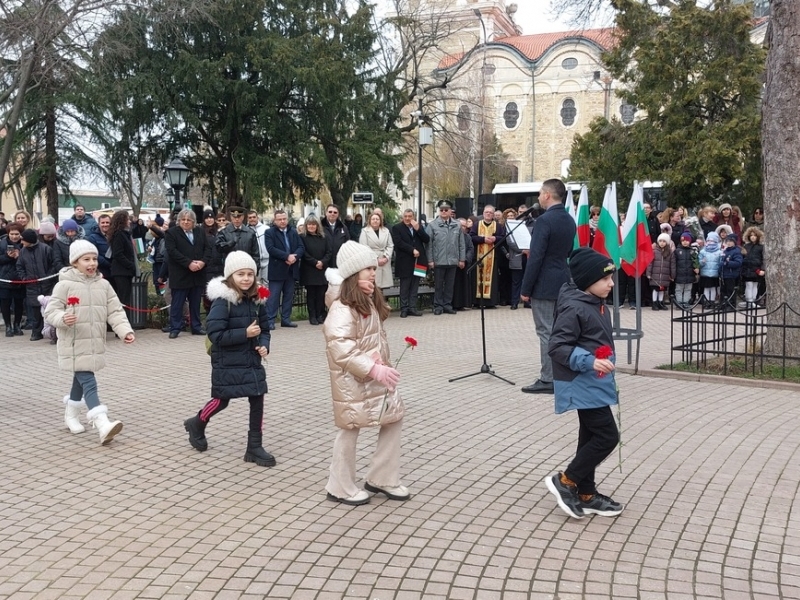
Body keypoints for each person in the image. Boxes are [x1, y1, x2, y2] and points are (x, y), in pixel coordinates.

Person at [322, 241, 409, 506]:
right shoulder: (341, 305)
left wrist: (380, 366)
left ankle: (382, 477)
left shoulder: (367, 298)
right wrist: (372, 367)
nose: (373, 272)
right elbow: (341, 348)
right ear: (352, 273)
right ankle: (339, 485)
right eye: (366, 268)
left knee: (393, 418)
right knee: (350, 428)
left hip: (377, 374)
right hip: (354, 379)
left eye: (373, 267)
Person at [544, 247, 623, 520]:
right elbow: (557, 347)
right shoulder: (574, 306)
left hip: (594, 382)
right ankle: (566, 481)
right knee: (607, 436)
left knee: (589, 437)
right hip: (581, 381)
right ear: (588, 280)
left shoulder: (594, 302)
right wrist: (590, 361)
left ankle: (586, 494)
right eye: (606, 279)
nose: (611, 283)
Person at [182, 251, 275, 466]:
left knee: (258, 397)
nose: (246, 279)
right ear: (230, 276)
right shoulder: (223, 302)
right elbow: (215, 335)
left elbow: (265, 329)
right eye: (240, 274)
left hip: (251, 360)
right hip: (227, 360)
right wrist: (245, 334)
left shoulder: (259, 299)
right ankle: (197, 423)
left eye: (250, 274)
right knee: (221, 399)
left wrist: (263, 344)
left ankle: (254, 446)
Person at [43, 240, 134, 445]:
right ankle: (102, 423)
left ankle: (71, 415)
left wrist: (124, 331)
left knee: (80, 378)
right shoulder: (64, 285)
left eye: (94, 259)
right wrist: (62, 319)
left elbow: (115, 310)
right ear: (75, 262)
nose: (92, 263)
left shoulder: (104, 284)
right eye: (86, 259)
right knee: (88, 380)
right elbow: (51, 311)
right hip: (74, 343)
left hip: (94, 342)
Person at [520, 179, 576, 394]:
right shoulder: (569, 220)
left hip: (544, 283)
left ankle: (548, 379)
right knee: (560, 330)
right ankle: (562, 374)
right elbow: (569, 251)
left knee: (546, 331)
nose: (539, 197)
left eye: (541, 193)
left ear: (547, 195)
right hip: (563, 279)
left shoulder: (544, 221)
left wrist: (525, 289)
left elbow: (536, 258)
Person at [164, 209, 211, 338]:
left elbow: (207, 248)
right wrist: (188, 263)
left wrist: (202, 262)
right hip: (180, 274)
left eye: (188, 220)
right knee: (177, 303)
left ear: (193, 222)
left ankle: (196, 326)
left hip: (197, 274)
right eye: (183, 220)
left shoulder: (200, 231)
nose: (186, 222)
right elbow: (172, 252)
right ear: (179, 221)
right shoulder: (171, 233)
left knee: (195, 303)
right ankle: (175, 327)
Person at [263, 209, 304, 329]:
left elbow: (301, 247)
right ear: (275, 220)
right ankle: (270, 320)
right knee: (274, 297)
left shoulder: (293, 232)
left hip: (291, 269)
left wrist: (294, 257)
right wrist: (286, 256)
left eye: (284, 219)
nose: (282, 221)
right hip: (277, 269)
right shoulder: (269, 232)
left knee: (288, 296)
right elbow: (271, 249)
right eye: (279, 219)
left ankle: (286, 319)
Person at [425, 200, 465, 315]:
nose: (443, 212)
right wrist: (430, 260)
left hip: (453, 260)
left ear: (450, 211)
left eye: (446, 210)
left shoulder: (457, 224)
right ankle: (438, 306)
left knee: (449, 285)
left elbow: (461, 243)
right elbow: (429, 245)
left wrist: (461, 259)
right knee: (438, 285)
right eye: (441, 210)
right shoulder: (432, 225)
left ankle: (447, 305)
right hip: (439, 260)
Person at [17, 228, 57, 340]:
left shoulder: (46, 249)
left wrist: (47, 277)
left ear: (29, 240)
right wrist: (24, 278)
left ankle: (52, 332)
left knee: (49, 309)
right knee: (35, 311)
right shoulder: (23, 252)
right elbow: (19, 267)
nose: (21, 242)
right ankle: (36, 332)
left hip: (47, 285)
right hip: (31, 286)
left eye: (23, 240)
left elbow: (53, 265)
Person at [390, 209, 429, 318]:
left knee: (415, 285)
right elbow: (399, 243)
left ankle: (413, 308)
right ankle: (404, 308)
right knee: (405, 286)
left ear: (413, 217)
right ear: (403, 217)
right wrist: (412, 250)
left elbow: (427, 239)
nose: (407, 218)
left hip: (419, 261)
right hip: (405, 261)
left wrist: (418, 229)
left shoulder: (418, 227)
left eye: (410, 216)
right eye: (406, 216)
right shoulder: (397, 228)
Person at [470, 205, 506, 308]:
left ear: (493, 214)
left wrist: (495, 238)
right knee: (478, 278)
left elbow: (503, 238)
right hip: (479, 257)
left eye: (491, 212)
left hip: (492, 257)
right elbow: (472, 237)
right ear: (483, 213)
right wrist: (483, 239)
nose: (488, 214)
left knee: (492, 279)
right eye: (487, 212)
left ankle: (490, 302)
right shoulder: (477, 224)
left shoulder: (497, 226)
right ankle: (478, 302)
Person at [299, 215, 332, 325]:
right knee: (311, 294)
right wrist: (314, 262)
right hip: (309, 269)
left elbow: (329, 252)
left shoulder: (324, 237)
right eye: (309, 224)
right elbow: (303, 253)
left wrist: (322, 262)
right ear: (306, 226)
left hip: (322, 269)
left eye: (314, 224)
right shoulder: (302, 237)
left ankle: (320, 315)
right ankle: (312, 316)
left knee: (321, 294)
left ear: (318, 226)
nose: (312, 226)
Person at [108, 211, 139, 320]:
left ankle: (125, 322)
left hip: (126, 272)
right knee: (123, 299)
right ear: (122, 220)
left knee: (126, 298)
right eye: (127, 219)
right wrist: (130, 265)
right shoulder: (119, 234)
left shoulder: (125, 234)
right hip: (121, 271)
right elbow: (118, 254)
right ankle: (122, 323)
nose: (129, 221)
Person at [359, 211, 394, 290]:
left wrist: (386, 257)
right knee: (373, 286)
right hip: (372, 261)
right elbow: (364, 247)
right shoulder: (365, 231)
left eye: (377, 219)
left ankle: (382, 302)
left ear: (380, 221)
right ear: (370, 220)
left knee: (383, 288)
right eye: (373, 219)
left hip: (384, 260)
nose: (375, 221)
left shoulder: (386, 231)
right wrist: (376, 259)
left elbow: (390, 245)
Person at [0, 223, 25, 336]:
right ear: (8, 233)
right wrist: (8, 256)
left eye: (17, 234)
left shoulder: (24, 244)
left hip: (19, 278)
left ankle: (17, 325)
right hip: (5, 277)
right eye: (12, 234)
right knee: (5, 303)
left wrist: (19, 256)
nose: (14, 236)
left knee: (19, 303)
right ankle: (8, 326)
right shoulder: (2, 243)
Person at [646, 233, 675, 311]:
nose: (662, 243)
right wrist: (648, 273)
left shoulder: (670, 252)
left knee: (662, 290)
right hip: (655, 275)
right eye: (660, 241)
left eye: (664, 241)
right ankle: (654, 302)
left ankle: (660, 302)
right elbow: (650, 263)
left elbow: (672, 265)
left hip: (665, 275)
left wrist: (672, 275)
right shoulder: (654, 251)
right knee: (655, 289)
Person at [452, 218, 475, 311]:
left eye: (465, 226)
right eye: (461, 225)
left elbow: (470, 249)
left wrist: (465, 259)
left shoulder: (467, 237)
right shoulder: (452, 236)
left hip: (464, 264)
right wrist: (457, 260)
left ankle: (463, 303)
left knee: (464, 285)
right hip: (454, 264)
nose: (463, 228)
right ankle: (454, 304)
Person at [673, 232, 699, 309]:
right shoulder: (677, 251)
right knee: (679, 289)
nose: (685, 242)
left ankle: (686, 302)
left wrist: (697, 268)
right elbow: (674, 263)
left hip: (689, 274)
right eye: (683, 240)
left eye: (687, 240)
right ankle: (679, 302)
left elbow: (696, 261)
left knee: (688, 289)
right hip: (679, 274)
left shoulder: (693, 251)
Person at [741, 227, 765, 308]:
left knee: (755, 285)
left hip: (757, 269)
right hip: (747, 269)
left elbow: (763, 259)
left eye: (755, 235)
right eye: (751, 235)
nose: (753, 237)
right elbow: (743, 258)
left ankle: (753, 301)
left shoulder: (761, 247)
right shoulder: (746, 246)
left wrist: (762, 269)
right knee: (749, 285)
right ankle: (749, 301)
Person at [699, 231, 723, 308]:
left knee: (713, 288)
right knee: (706, 288)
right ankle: (706, 301)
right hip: (705, 273)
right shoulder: (703, 251)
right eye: (708, 240)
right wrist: (702, 262)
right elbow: (698, 262)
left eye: (712, 241)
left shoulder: (719, 252)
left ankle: (712, 302)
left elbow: (720, 263)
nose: (710, 242)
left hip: (714, 274)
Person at [720, 234, 743, 310]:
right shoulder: (725, 251)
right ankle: (723, 304)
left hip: (731, 274)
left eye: (731, 241)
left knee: (730, 290)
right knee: (723, 290)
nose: (729, 243)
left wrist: (728, 263)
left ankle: (731, 305)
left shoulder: (736, 251)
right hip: (724, 274)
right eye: (728, 241)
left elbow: (738, 263)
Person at [86, 214, 112, 281]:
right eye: (103, 223)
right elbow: (94, 254)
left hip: (114, 271)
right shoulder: (93, 237)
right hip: (101, 271)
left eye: (107, 222)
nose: (105, 224)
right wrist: (108, 264)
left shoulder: (115, 236)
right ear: (99, 224)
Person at [247, 210, 270, 284]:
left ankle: (267, 296)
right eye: (250, 218)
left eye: (254, 217)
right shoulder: (246, 230)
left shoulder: (266, 229)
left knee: (267, 282)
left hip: (267, 260)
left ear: (257, 217)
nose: (252, 219)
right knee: (256, 283)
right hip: (254, 261)